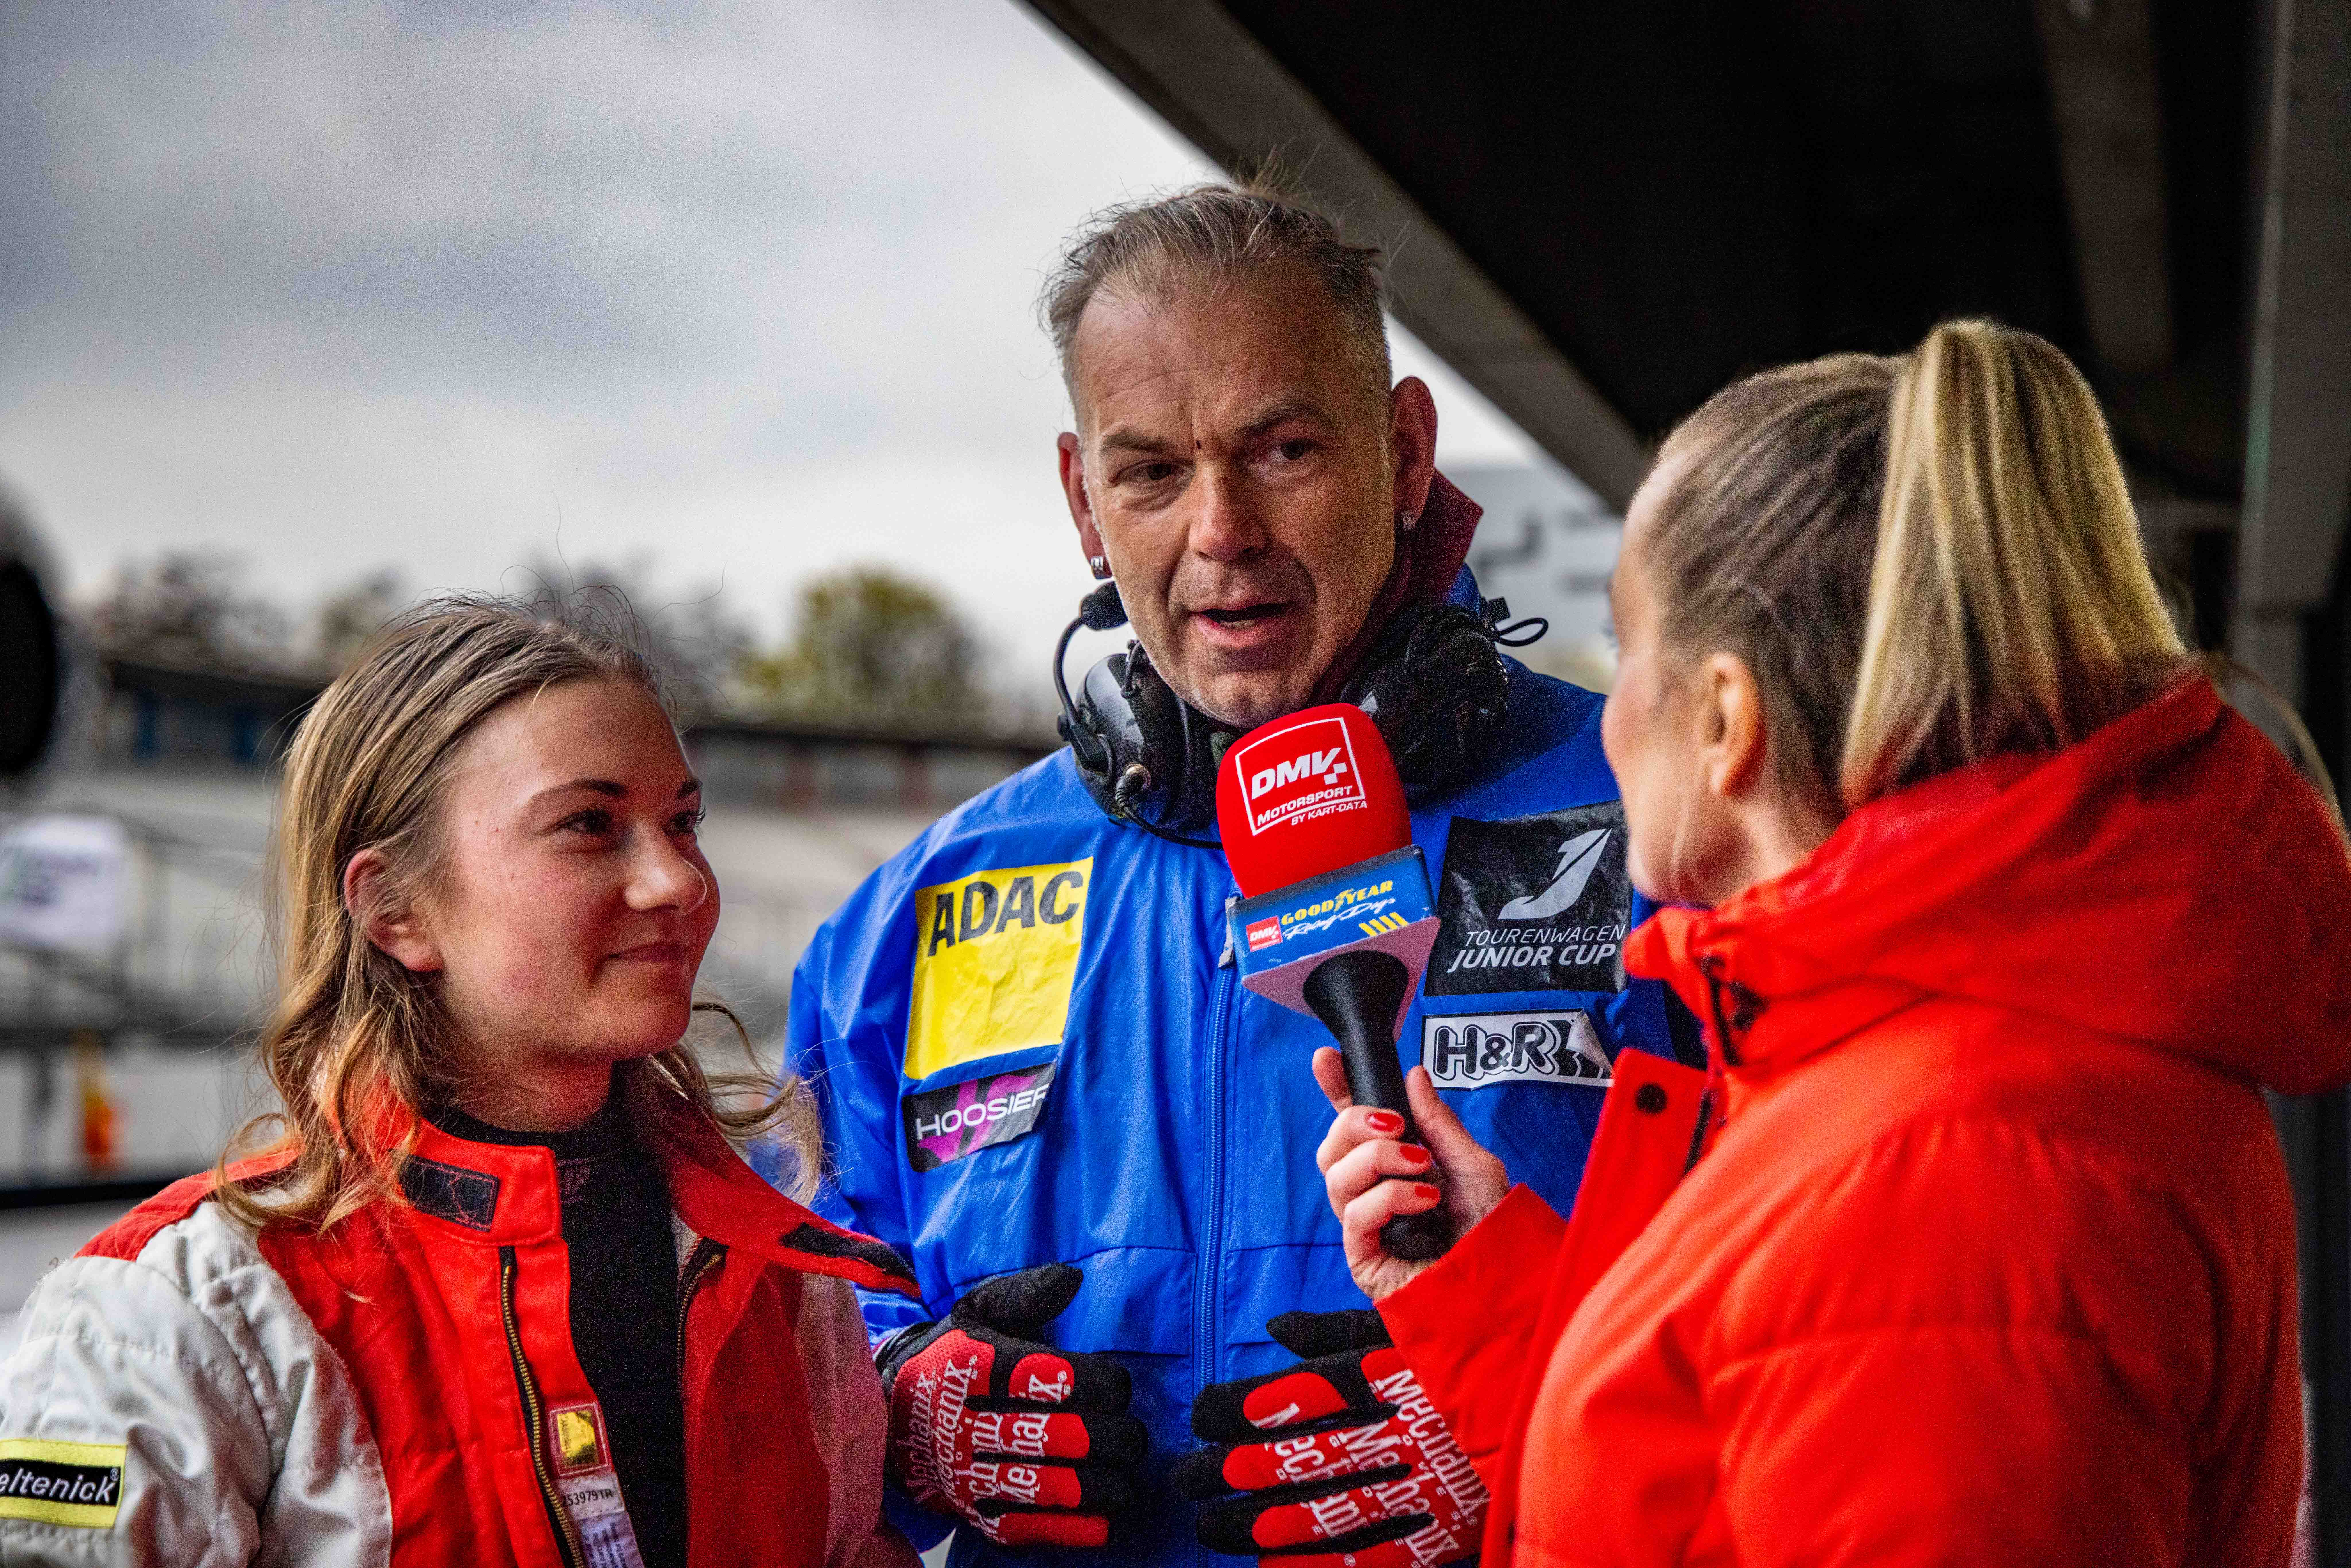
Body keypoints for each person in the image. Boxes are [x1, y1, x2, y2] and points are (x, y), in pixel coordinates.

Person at [769, 176, 1696, 1568]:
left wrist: (1526, 1409)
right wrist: (899, 1408)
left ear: (1401, 449)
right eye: (1152, 472)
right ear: (1086, 501)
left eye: (1279, 451)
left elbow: (1820, 1295)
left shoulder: (1671, 830)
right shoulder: (914, 911)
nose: (1219, 533)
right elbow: (798, 1296)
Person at [1318, 320, 2351, 1565]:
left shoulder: (1949, 1176)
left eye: (1631, 644)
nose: (1607, 712)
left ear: (1722, 719)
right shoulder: (1936, 1076)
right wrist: (1486, 1290)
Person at [0, 598, 921, 1568]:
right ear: (395, 909)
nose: (680, 882)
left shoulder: (782, 1277)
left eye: (683, 821)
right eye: (588, 824)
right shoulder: (177, 1314)